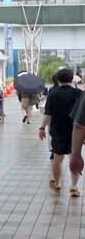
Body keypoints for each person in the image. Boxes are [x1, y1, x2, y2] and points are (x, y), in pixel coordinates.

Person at [41, 68, 80, 196]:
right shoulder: (79, 93)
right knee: (74, 157)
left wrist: (42, 128)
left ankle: (57, 183)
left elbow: (48, 114)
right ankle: (74, 186)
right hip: (76, 130)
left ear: (58, 79)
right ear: (71, 79)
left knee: (57, 158)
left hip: (57, 129)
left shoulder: (53, 94)